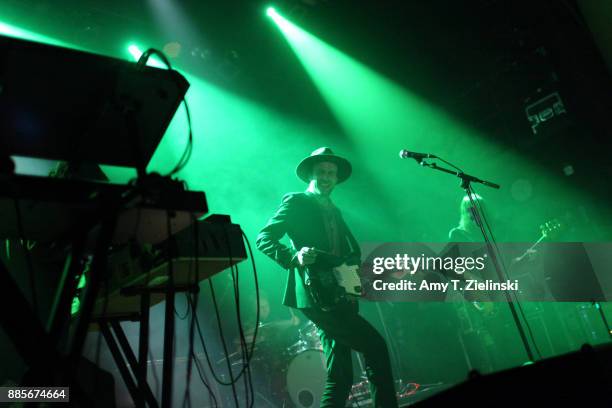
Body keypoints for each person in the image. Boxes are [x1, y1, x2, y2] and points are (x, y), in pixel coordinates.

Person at [256, 147, 398, 408]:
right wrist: (294, 256)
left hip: (338, 293)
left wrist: (357, 275)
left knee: (340, 373)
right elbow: (264, 238)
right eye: (321, 172)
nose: (327, 177)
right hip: (314, 294)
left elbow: (349, 251)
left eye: (331, 173)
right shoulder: (297, 201)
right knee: (375, 347)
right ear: (311, 174)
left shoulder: (335, 210)